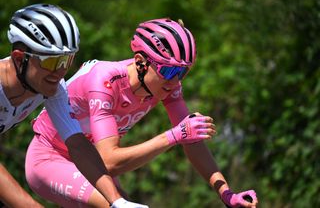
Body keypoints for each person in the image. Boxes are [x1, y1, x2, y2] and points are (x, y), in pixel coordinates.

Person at [25, 18, 259, 207]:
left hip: (90, 162)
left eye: (183, 72)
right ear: (140, 62)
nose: (176, 80)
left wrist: (226, 193)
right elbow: (110, 161)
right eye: (168, 71)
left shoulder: (167, 86)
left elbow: (193, 143)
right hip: (50, 157)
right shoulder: (104, 81)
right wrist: (173, 136)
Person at [0, 3, 148, 208]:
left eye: (66, 61)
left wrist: (117, 201)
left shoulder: (53, 87)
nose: (60, 72)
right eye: (51, 62)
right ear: (19, 58)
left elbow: (77, 144)